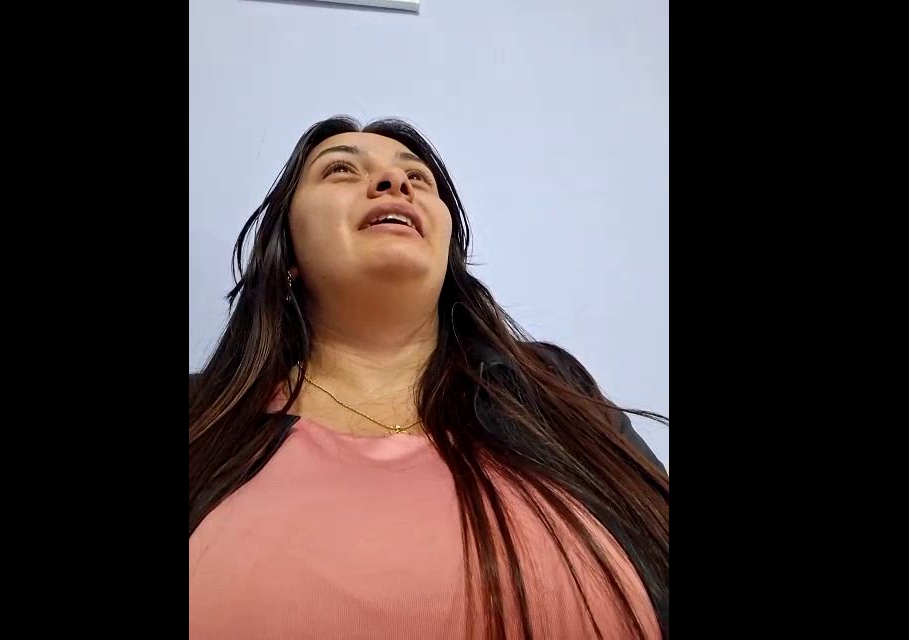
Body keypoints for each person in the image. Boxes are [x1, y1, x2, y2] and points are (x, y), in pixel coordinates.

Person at [189, 116, 669, 639]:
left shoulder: (554, 390)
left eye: (418, 178)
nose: (394, 182)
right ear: (288, 254)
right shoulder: (201, 417)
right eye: (341, 170)